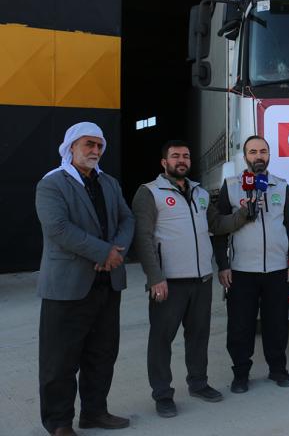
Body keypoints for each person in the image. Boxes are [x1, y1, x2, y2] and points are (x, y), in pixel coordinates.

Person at [131, 140, 251, 418]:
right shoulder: (149, 192)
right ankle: (163, 394)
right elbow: (143, 239)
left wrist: (244, 213)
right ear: (164, 162)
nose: (181, 160)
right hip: (168, 282)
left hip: (201, 280)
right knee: (161, 340)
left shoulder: (200, 192)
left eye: (185, 156)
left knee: (198, 337)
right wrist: (155, 277)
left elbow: (217, 225)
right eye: (175, 156)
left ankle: (198, 383)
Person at [35, 122, 135, 436]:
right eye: (88, 144)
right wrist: (104, 253)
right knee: (60, 360)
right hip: (67, 285)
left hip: (107, 284)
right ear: (71, 147)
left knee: (102, 354)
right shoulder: (52, 183)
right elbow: (58, 228)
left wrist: (116, 252)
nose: (95, 150)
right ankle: (59, 422)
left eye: (99, 145)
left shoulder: (110, 183)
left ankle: (95, 412)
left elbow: (127, 218)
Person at [213, 136, 289, 393]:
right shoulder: (231, 186)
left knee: (277, 324)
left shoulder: (282, 187)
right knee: (240, 326)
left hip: (277, 270)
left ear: (269, 155)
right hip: (241, 271)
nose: (258, 156)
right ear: (245, 157)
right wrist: (223, 265)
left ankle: (278, 369)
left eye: (263, 151)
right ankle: (241, 374)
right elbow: (219, 229)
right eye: (253, 152)